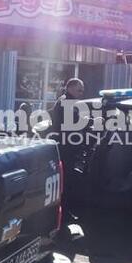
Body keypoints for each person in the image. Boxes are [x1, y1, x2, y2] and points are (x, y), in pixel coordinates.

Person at [48, 78, 86, 214]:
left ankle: (65, 211)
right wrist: (92, 121)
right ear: (70, 88)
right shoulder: (66, 102)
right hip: (67, 148)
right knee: (66, 182)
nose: (81, 93)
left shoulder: (65, 101)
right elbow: (75, 122)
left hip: (68, 147)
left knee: (68, 181)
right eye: (79, 90)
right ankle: (64, 213)